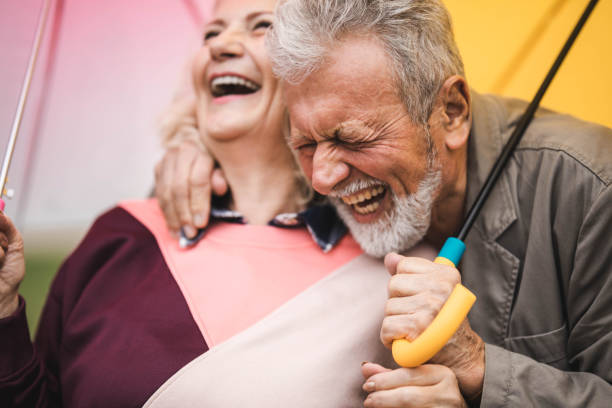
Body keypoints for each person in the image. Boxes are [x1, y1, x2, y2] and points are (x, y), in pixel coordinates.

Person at [158, 0, 612, 406]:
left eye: (350, 139)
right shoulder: (337, 132)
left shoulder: (592, 193)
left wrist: (479, 371)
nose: (323, 178)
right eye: (306, 144)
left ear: (451, 111)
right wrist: (193, 143)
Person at [1, 0, 446, 406]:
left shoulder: (401, 274)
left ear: (318, 70)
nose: (221, 46)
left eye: (261, 28)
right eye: (210, 34)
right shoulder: (118, 236)